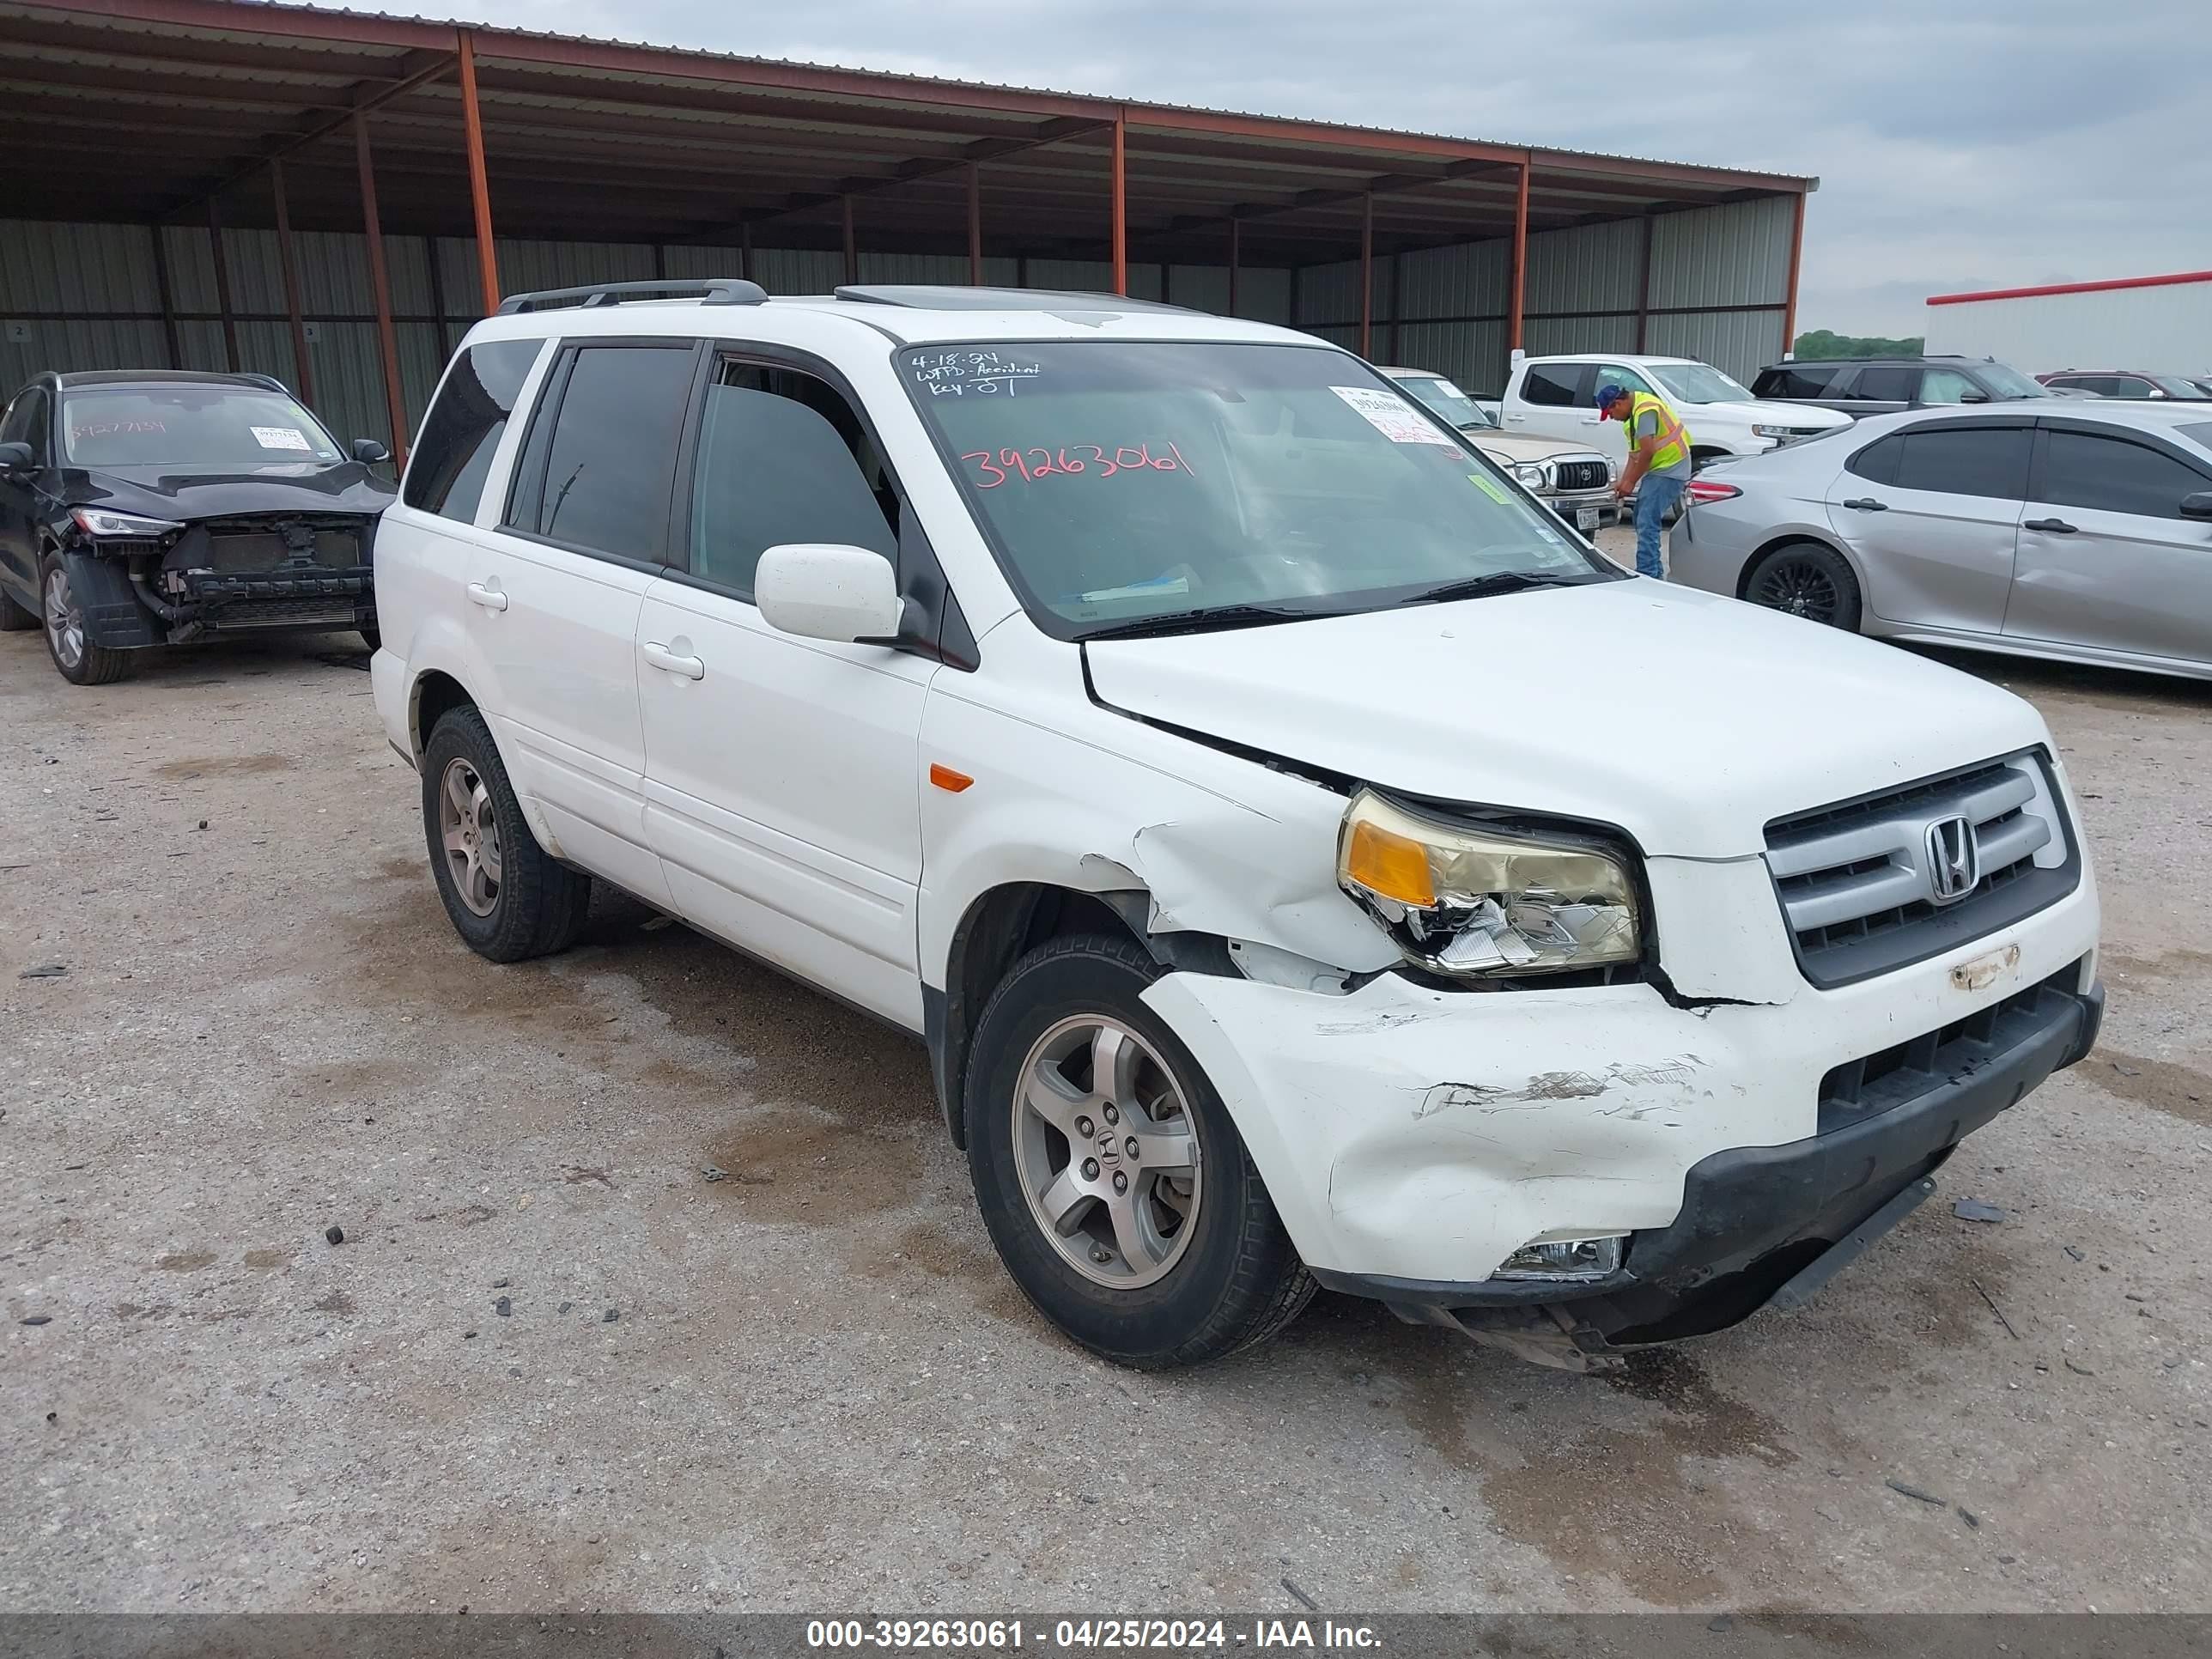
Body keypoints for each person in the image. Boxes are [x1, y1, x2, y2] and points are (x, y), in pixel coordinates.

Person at [1597, 381, 1693, 578]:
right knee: (1642, 516)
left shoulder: (1645, 411)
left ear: (1618, 403)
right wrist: (1624, 483)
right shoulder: (1633, 416)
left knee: (1647, 521)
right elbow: (1635, 455)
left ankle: (1648, 573)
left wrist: (1630, 483)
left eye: (1611, 413)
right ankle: (1653, 570)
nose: (1613, 419)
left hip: (1670, 469)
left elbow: (1648, 452)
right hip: (1663, 469)